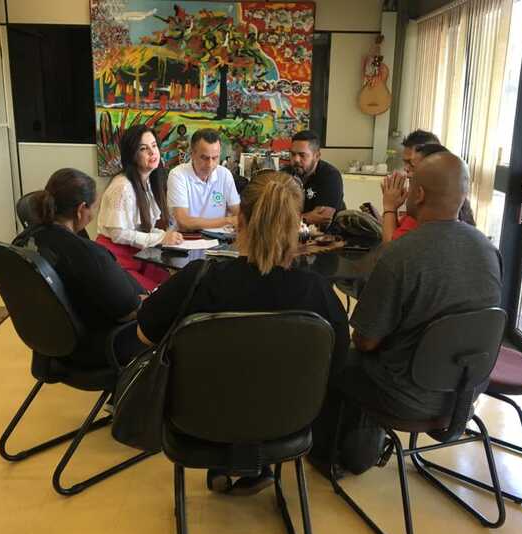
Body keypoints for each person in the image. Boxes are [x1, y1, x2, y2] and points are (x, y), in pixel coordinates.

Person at [138, 170, 350, 495]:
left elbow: (145, 336)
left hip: (198, 419)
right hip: (288, 420)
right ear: (297, 229)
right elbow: (335, 367)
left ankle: (227, 462)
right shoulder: (316, 293)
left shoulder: (199, 280)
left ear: (239, 223)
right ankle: (257, 464)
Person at [310, 152, 502, 475]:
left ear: (420, 194)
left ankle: (334, 455)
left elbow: (367, 341)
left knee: (334, 355)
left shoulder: (400, 254)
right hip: (466, 390)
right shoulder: (488, 249)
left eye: (411, 183)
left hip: (406, 393)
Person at [13, 168, 146, 368]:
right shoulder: (86, 254)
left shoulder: (25, 241)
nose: (93, 213)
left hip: (51, 343)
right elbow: (130, 311)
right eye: (93, 207)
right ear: (81, 209)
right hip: (101, 346)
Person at [96, 125, 184, 291]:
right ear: (132, 155)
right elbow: (118, 234)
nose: (152, 152)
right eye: (144, 149)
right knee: (161, 296)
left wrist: (167, 236)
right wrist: (161, 238)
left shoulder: (148, 181)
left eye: (154, 146)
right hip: (116, 261)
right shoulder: (123, 187)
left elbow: (142, 227)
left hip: (137, 255)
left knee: (175, 285)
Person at [376, 144, 476, 242]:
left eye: (413, 166)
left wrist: (389, 207)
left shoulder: (423, 218)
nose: (407, 171)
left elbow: (391, 249)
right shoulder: (460, 219)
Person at [167, 128, 240, 231]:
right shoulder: (178, 175)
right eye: (204, 158)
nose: (210, 165)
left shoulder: (224, 174)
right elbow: (183, 222)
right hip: (185, 239)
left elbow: (239, 213)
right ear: (192, 154)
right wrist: (228, 220)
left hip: (220, 239)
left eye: (215, 158)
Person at [289, 130, 346, 227]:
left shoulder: (330, 175)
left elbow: (323, 218)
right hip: (293, 233)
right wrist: (305, 218)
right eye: (293, 154)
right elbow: (276, 213)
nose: (296, 160)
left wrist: (288, 220)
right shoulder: (285, 174)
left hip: (328, 237)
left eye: (302, 155)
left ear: (317, 156)